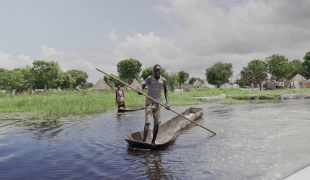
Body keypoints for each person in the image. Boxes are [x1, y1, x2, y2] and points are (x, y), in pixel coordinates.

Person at [138, 64, 170, 144]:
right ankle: (144, 142)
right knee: (147, 122)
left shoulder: (163, 80)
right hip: (149, 103)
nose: (157, 72)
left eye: (158, 70)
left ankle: (153, 142)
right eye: (155, 71)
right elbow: (143, 86)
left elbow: (166, 91)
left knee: (157, 123)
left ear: (160, 71)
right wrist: (140, 91)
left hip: (158, 104)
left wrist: (167, 103)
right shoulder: (150, 78)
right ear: (154, 71)